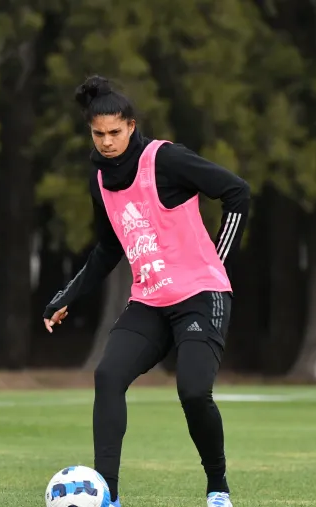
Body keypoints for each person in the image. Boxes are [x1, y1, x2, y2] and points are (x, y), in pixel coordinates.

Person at [43, 75, 250, 507]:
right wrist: (66, 296)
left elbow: (237, 192)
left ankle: (217, 488)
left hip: (200, 294)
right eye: (98, 134)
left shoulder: (166, 159)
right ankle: (108, 497)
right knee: (108, 375)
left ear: (132, 127)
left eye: (115, 132)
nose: (106, 142)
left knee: (193, 391)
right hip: (150, 301)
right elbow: (108, 249)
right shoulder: (100, 181)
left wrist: (217, 261)